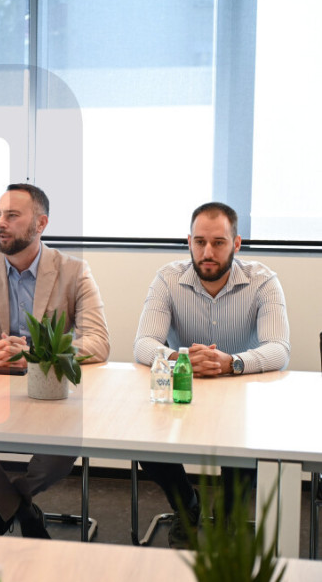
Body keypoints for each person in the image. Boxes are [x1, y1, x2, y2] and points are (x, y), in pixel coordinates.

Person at [0, 183, 109, 538]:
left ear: (40, 223)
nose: (0, 223)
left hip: (48, 391)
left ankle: (8, 505)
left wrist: (38, 354)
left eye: (12, 216)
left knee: (66, 443)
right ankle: (22, 512)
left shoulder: (74, 271)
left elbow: (98, 342)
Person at [134, 201, 290, 549]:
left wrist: (230, 362)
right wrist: (182, 358)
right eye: (200, 241)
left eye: (218, 242)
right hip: (182, 389)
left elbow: (279, 349)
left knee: (246, 445)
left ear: (236, 244)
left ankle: (229, 516)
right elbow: (143, 344)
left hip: (241, 395)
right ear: (188, 241)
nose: (207, 252)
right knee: (143, 439)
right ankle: (186, 504)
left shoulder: (263, 281)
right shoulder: (167, 278)